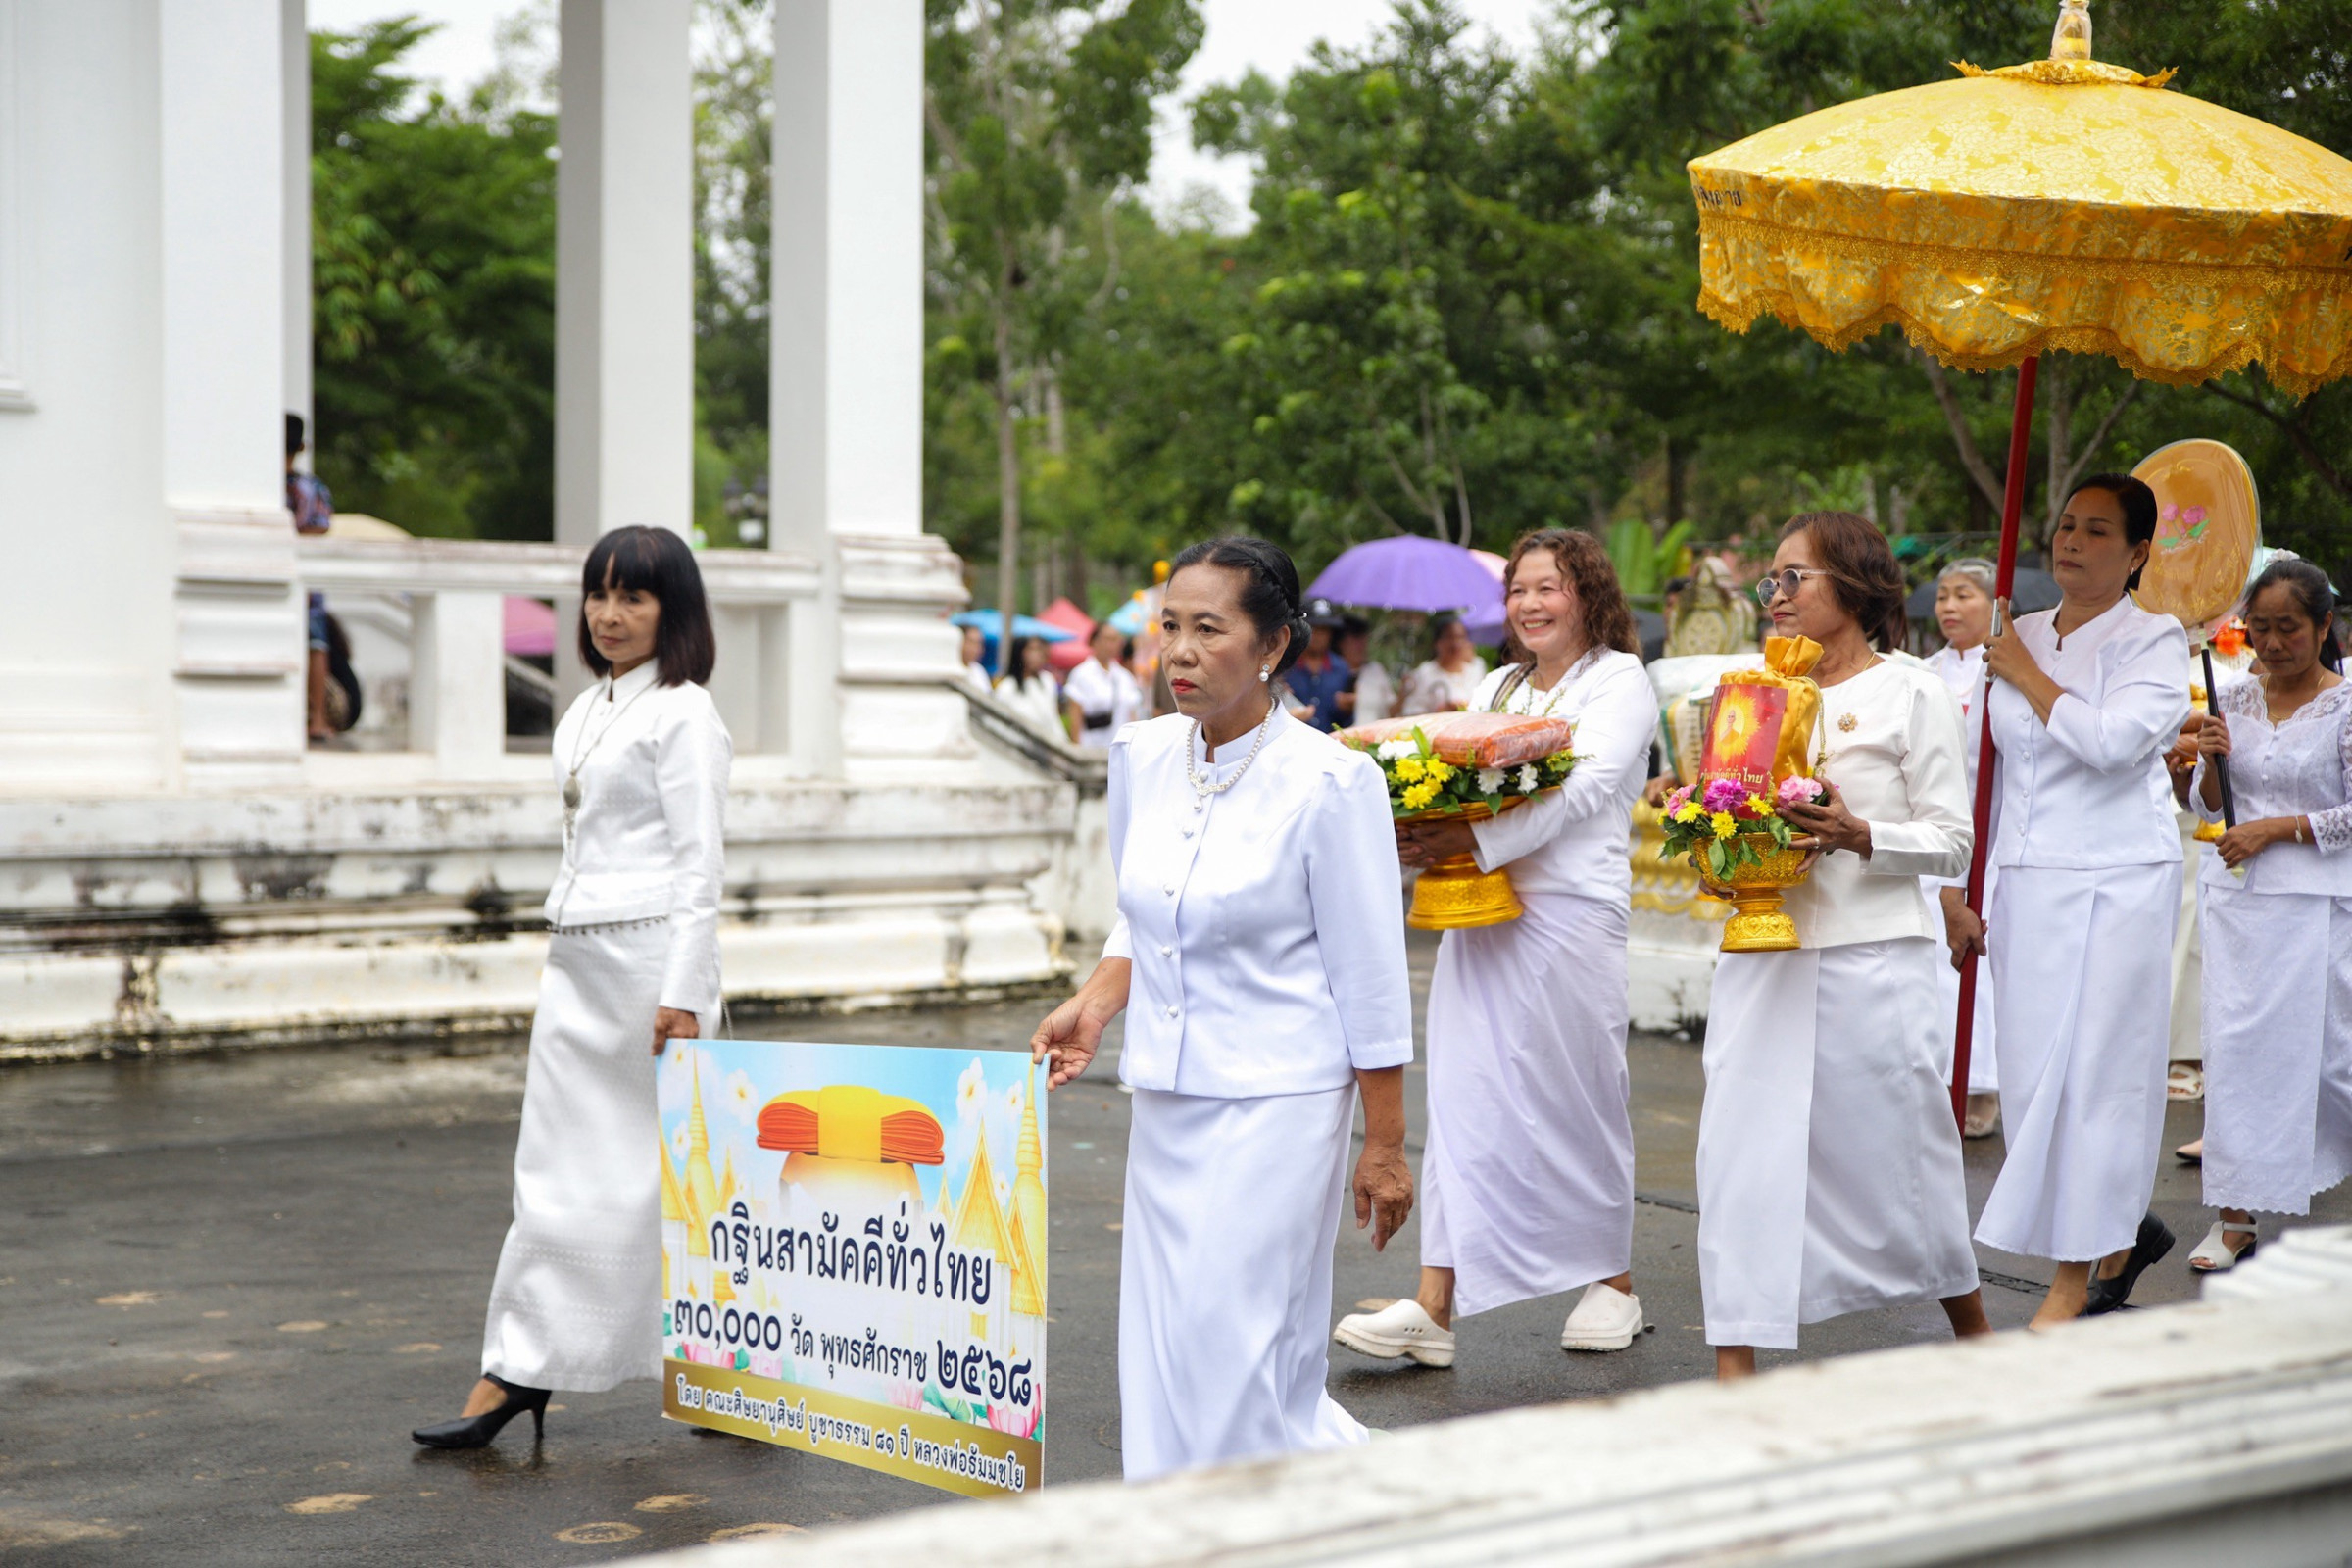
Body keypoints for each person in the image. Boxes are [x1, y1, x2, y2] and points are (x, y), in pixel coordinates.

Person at [1027, 537, 1414, 1481]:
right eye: (1170, 628)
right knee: (1163, 1344)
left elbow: (1369, 974)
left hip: (1280, 1100)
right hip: (1166, 1093)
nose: (1181, 652)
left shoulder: (1333, 781)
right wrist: (1098, 999)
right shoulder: (1142, 755)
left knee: (1237, 1341)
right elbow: (1143, 912)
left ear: (1274, 644)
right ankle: (1177, 1522)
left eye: (1210, 628)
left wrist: (1386, 1142)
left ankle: (1263, 1523)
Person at [415, 526, 730, 1449]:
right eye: (598, 594)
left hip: (648, 978)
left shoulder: (684, 713)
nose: (609, 614)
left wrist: (684, 992)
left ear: (672, 610)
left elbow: (698, 868)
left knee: (668, 1183)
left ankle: (719, 1371)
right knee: (553, 1175)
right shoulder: (583, 711)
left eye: (634, 597)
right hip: (577, 967)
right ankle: (520, 1368)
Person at [1333, 528, 1658, 1369]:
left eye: (1549, 587)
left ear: (1587, 594)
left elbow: (1585, 790)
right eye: (1518, 590)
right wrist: (1412, 830)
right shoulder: (1500, 682)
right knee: (1467, 1097)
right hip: (1479, 911)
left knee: (1577, 1091)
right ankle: (1434, 1306)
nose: (1530, 604)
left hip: (1572, 912)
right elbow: (1447, 778)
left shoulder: (1621, 681)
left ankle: (1613, 1284)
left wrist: (1466, 845)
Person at [1696, 512, 1988, 1380]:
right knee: (1738, 1146)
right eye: (1772, 581)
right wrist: (1707, 832)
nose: (1777, 596)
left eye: (1796, 579)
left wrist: (1862, 836)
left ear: (1855, 587)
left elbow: (1953, 841)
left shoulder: (1911, 690)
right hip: (1763, 949)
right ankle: (1734, 1361)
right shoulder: (1751, 690)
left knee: (1903, 1149)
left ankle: (1972, 1328)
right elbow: (1727, 821)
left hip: (1873, 951)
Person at [1950, 475, 2190, 1325]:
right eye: (2065, 525)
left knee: (2095, 1076)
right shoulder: (2018, 631)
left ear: (2136, 555)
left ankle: (2075, 1275)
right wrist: (1961, 885)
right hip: (2025, 883)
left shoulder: (2153, 641)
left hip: (2115, 879)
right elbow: (1985, 770)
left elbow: (2116, 745)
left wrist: (2026, 674)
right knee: (2031, 1078)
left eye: (2098, 531)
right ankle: (2119, 1235)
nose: (2072, 541)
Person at [2183, 558, 2350, 1271]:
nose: (2274, 644)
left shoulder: (2345, 706)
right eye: (2260, 629)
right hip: (2244, 906)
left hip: (2323, 906)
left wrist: (2280, 828)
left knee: (2330, 1061)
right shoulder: (2233, 701)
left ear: (2323, 627)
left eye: (2289, 628)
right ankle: (2234, 1216)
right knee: (2238, 1059)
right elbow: (2210, 809)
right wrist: (2201, 762)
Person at [1925, 559, 2002, 1137]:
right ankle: (1938, 1077)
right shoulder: (1921, 674)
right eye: (1943, 596)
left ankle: (1982, 1085)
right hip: (1933, 831)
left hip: (1991, 827)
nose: (1950, 606)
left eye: (1965, 595)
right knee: (1931, 961)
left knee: (1981, 958)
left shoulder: (2004, 668)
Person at [286, 413, 335, 744]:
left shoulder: (260, 488)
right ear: (302, 446)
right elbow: (320, 527)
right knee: (316, 646)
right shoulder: (311, 487)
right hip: (305, 574)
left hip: (268, 569)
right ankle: (317, 719)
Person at [1063, 621, 1143, 747]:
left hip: (1121, 749)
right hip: (1092, 748)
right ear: (1094, 641)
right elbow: (1075, 718)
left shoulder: (1125, 677)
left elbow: (1132, 714)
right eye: (1108, 639)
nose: (1113, 644)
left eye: (1116, 640)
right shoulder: (1081, 675)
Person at [1285, 598, 1353, 730]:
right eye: (1314, 628)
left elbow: (1346, 720)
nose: (1319, 636)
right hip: (1293, 741)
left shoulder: (1341, 668)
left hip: (1331, 742)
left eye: (1324, 630)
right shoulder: (1285, 665)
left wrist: (1348, 708)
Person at [1399, 613, 1488, 715]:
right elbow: (1410, 712)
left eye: (1460, 637)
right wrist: (1439, 712)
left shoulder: (1477, 668)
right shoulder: (1424, 674)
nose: (1456, 644)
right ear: (1437, 642)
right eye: (1450, 637)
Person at [995, 635, 1064, 739]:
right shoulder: (1007, 686)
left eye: (1039, 649)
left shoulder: (1047, 681)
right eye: (1032, 649)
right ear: (1019, 652)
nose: (1038, 654)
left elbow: (1053, 718)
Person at [1337, 615, 1394, 725]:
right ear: (1341, 642)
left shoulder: (1376, 670)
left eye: (1364, 639)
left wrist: (1403, 695)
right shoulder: (1332, 671)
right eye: (1355, 639)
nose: (1361, 645)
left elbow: (1391, 711)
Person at [959, 623, 993, 695]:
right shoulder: (951, 669)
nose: (976, 648)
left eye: (979, 643)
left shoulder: (979, 670)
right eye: (971, 642)